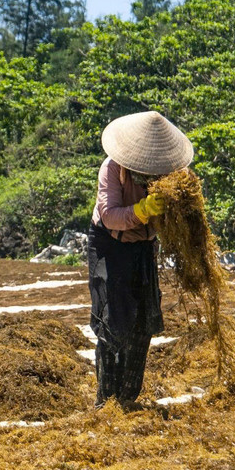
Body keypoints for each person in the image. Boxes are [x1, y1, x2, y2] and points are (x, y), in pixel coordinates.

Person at [87, 110, 193, 408]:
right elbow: (109, 216)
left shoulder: (172, 175)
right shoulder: (112, 168)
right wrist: (142, 210)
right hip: (110, 245)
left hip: (143, 247)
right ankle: (106, 402)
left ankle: (128, 397)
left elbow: (186, 213)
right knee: (113, 319)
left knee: (143, 321)